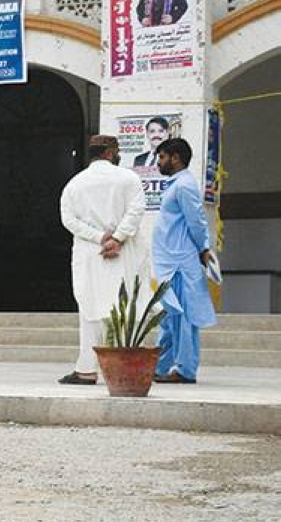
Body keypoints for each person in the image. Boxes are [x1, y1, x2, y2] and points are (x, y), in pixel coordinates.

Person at [57, 135, 149, 385]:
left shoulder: (75, 184)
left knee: (90, 310)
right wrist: (117, 239)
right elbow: (136, 210)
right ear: (110, 152)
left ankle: (87, 369)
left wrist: (99, 238)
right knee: (123, 309)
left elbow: (68, 219)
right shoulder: (129, 178)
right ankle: (122, 367)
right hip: (123, 253)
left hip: (90, 254)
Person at [152, 138, 216, 384]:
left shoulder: (185, 185)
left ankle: (185, 369)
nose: (159, 162)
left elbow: (197, 222)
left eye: (161, 157)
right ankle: (159, 367)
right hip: (170, 261)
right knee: (170, 317)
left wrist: (204, 249)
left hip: (181, 261)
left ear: (175, 158)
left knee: (184, 318)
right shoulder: (175, 185)